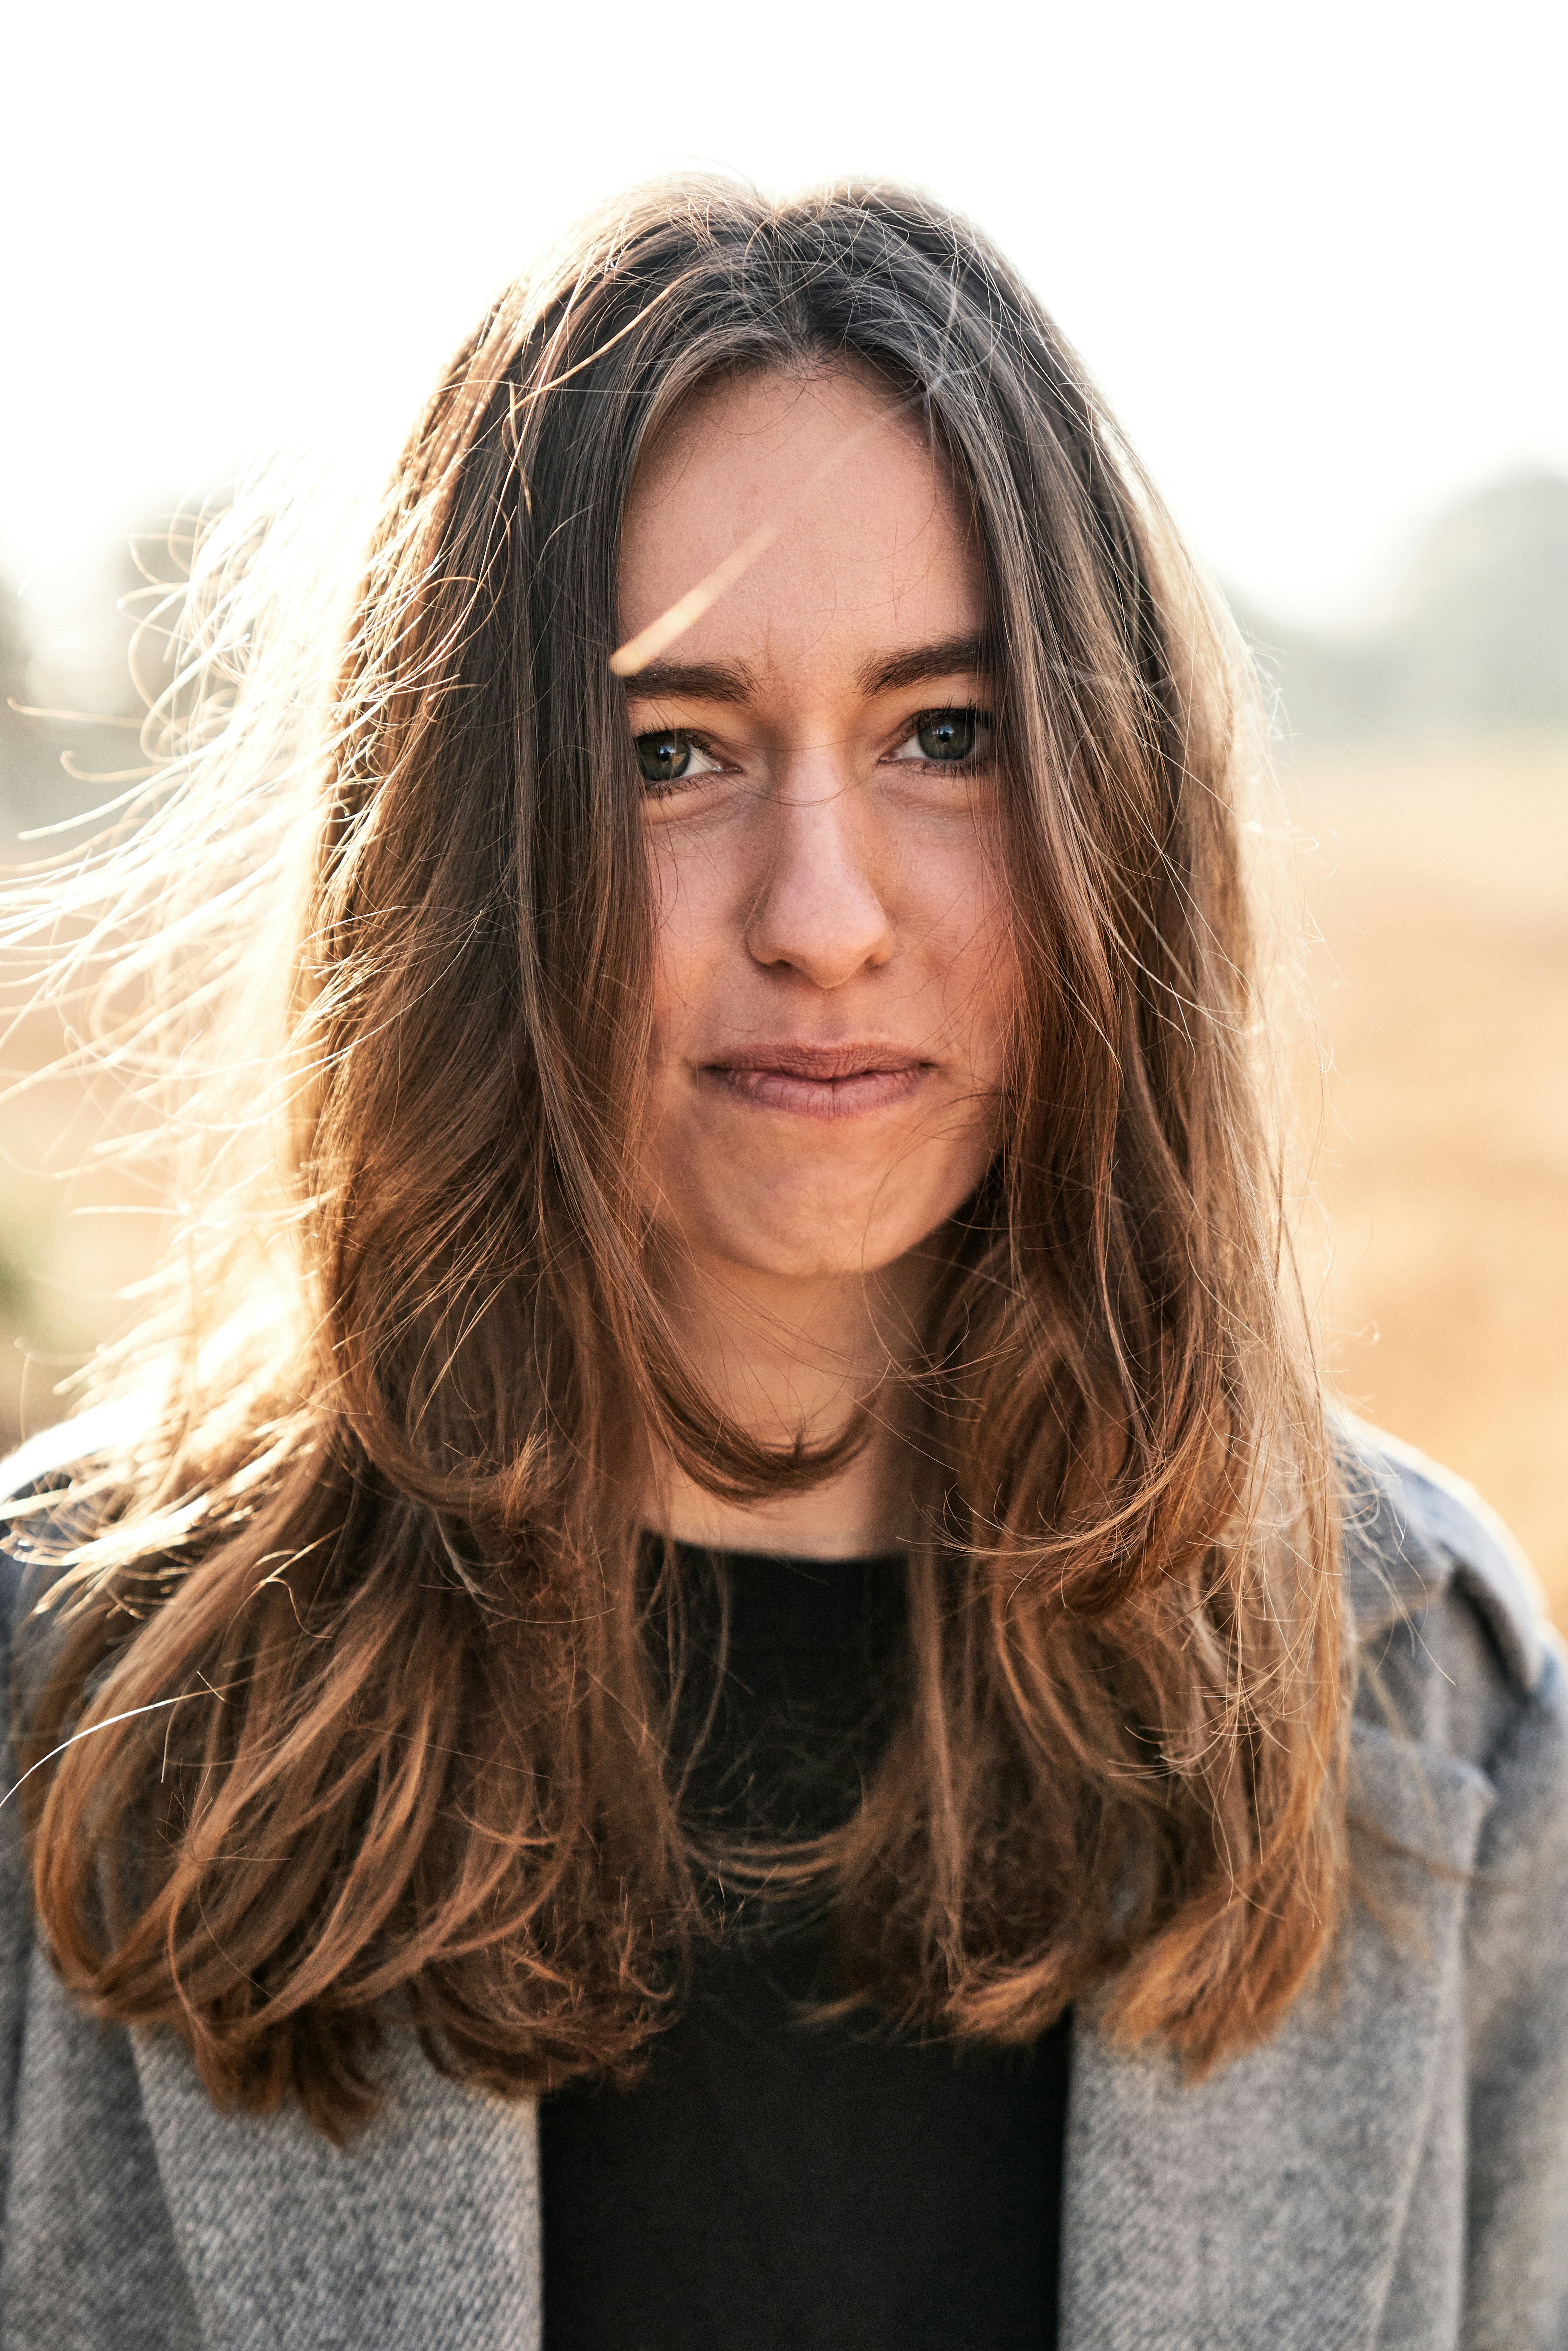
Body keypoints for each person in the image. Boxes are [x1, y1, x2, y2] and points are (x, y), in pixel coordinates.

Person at [1, 179, 1564, 2351]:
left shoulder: (1416, 1691)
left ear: (1112, 803)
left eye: (948, 735)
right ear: (463, 847)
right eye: (670, 756)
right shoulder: (74, 1691)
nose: (821, 914)